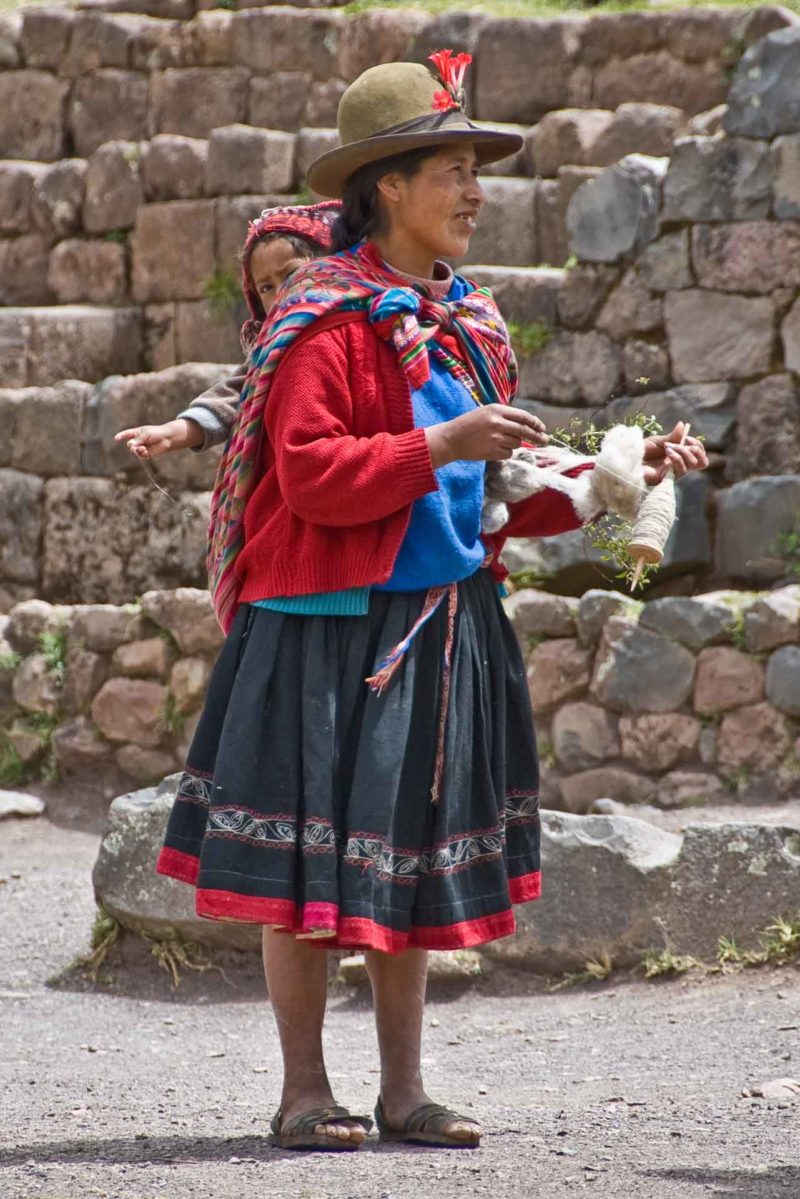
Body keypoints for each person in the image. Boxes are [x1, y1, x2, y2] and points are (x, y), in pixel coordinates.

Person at [153, 52, 709, 1153]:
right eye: (449, 168)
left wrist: (618, 473)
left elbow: (497, 499)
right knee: (311, 866)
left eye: (473, 169)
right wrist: (438, 441)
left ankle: (404, 1089)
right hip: (324, 625)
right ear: (386, 188)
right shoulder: (323, 318)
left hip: (440, 623)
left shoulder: (469, 326)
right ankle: (304, 1089)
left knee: (398, 860)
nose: (471, 190)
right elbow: (310, 469)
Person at [114, 201, 341, 461]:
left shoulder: (367, 325)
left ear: (329, 269)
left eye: (291, 274)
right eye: (266, 287)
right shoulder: (272, 354)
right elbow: (235, 396)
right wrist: (170, 434)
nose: (281, 292)